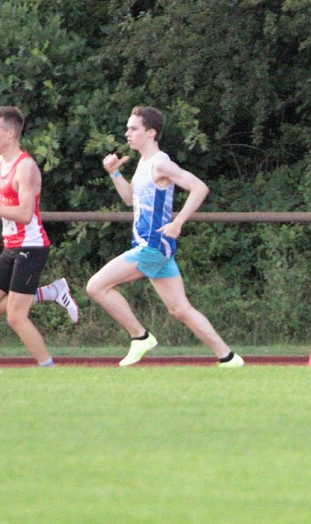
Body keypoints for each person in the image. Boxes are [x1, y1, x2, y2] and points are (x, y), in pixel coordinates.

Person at [66, 105, 243, 368]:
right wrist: (114, 173)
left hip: (152, 247)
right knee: (180, 309)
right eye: (127, 128)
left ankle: (140, 336)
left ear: (150, 133)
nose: (127, 134)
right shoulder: (144, 163)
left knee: (96, 286)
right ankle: (229, 358)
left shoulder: (161, 163)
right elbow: (130, 199)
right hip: (157, 247)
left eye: (133, 129)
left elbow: (199, 187)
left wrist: (178, 222)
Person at [0, 106, 78, 366]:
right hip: (11, 246)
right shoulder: (0, 163)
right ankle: (50, 292)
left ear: (10, 133)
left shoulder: (25, 167)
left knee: (16, 317)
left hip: (31, 246)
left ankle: (49, 369)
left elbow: (26, 214)